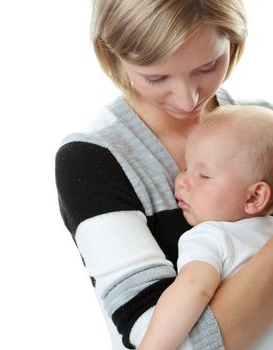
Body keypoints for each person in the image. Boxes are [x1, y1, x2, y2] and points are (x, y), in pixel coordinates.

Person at [55, 1, 273, 349]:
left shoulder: (264, 122)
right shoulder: (93, 159)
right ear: (112, 56)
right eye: (156, 77)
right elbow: (175, 343)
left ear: (234, 40)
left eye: (208, 66)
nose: (188, 99)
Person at [137, 105, 273, 350]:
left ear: (254, 197)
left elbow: (193, 288)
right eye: (186, 167)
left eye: (203, 175)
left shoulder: (211, 237)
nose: (181, 180)